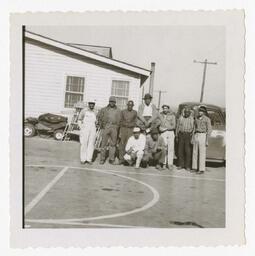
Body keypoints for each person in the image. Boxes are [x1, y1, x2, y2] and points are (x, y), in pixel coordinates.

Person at [97, 96, 121, 164]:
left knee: (113, 144)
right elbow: (99, 117)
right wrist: (101, 125)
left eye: (113, 102)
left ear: (115, 102)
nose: (112, 103)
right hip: (106, 126)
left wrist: (117, 127)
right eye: (111, 101)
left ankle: (111, 159)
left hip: (114, 127)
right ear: (109, 102)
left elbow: (120, 120)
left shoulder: (118, 110)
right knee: (104, 143)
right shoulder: (104, 109)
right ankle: (102, 159)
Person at [192, 105, 212, 174]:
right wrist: (193, 137)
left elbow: (209, 130)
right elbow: (194, 128)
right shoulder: (196, 118)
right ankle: (194, 167)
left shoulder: (207, 119)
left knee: (202, 153)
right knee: (195, 152)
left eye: (202, 111)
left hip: (203, 135)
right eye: (199, 111)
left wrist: (207, 140)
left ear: (204, 112)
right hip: (196, 135)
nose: (200, 112)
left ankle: (201, 169)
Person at [78, 99, 97, 164]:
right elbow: (79, 120)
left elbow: (97, 121)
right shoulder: (84, 111)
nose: (91, 105)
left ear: (94, 105)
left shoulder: (95, 112)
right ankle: (83, 159)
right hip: (85, 129)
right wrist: (81, 128)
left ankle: (89, 159)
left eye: (93, 104)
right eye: (90, 103)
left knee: (91, 144)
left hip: (93, 129)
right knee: (84, 143)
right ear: (88, 104)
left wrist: (96, 126)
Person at [118, 100, 137, 165]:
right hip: (123, 129)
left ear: (132, 106)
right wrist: (121, 130)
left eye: (131, 105)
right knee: (122, 144)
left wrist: (131, 125)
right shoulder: (123, 112)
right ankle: (121, 159)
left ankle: (127, 159)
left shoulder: (135, 112)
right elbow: (120, 121)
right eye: (129, 105)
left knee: (129, 144)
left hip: (130, 130)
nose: (130, 106)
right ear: (127, 105)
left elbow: (135, 122)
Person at [159, 105, 176, 170]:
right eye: (164, 108)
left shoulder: (172, 115)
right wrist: (160, 129)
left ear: (168, 109)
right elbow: (159, 124)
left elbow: (174, 126)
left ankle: (170, 164)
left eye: (166, 108)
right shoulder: (160, 115)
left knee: (170, 148)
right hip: (163, 133)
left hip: (170, 132)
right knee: (164, 148)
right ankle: (163, 163)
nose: (165, 109)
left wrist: (166, 128)